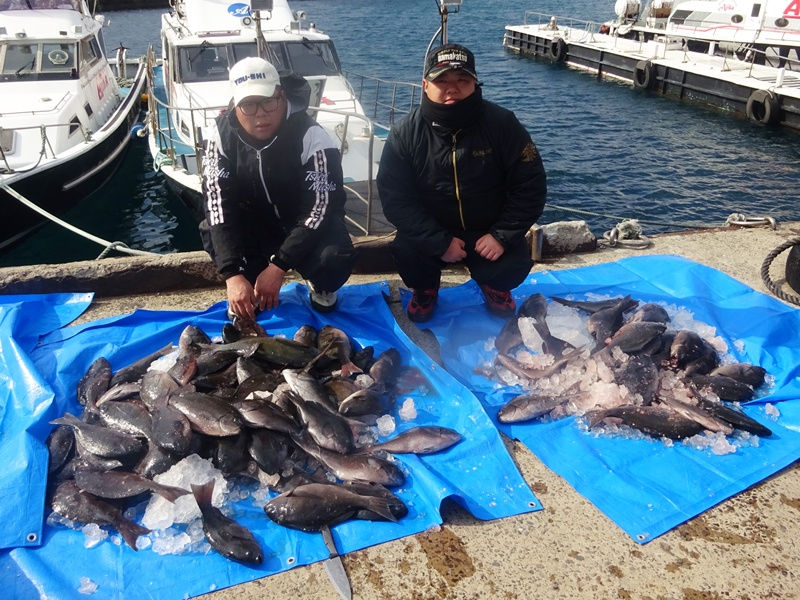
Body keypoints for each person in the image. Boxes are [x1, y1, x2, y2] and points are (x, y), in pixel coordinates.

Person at [377, 43, 547, 322]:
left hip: (487, 230)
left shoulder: (503, 124)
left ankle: (495, 286)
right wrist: (437, 241)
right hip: (433, 229)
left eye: (462, 80)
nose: (452, 89)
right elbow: (395, 198)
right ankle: (425, 288)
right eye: (441, 81)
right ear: (425, 85)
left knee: (513, 260)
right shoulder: (405, 134)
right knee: (406, 250)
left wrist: (502, 235)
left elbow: (531, 185)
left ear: (475, 84)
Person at [200, 56, 355, 320]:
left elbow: (320, 207)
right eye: (248, 105)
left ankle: (320, 283)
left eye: (268, 101)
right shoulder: (219, 136)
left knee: (333, 258)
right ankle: (248, 280)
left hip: (300, 222)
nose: (260, 113)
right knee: (209, 227)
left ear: (281, 96)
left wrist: (279, 266)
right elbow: (217, 205)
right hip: (254, 224)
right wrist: (232, 274)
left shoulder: (313, 136)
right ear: (235, 105)